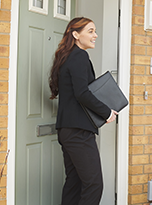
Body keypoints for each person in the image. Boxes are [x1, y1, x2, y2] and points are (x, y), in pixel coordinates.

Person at [49, 17, 118, 205]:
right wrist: (106, 112)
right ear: (75, 34)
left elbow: (77, 93)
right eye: (90, 31)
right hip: (78, 132)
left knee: (74, 182)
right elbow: (82, 93)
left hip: (67, 130)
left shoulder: (67, 57)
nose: (95, 35)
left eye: (95, 31)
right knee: (94, 184)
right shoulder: (79, 56)